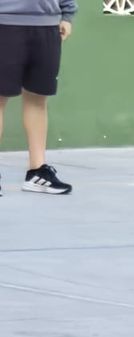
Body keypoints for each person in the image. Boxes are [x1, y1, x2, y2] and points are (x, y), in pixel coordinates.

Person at [0, 0, 74, 195]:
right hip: (4, 23)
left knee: (38, 98)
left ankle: (37, 172)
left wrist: (67, 14)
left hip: (47, 25)